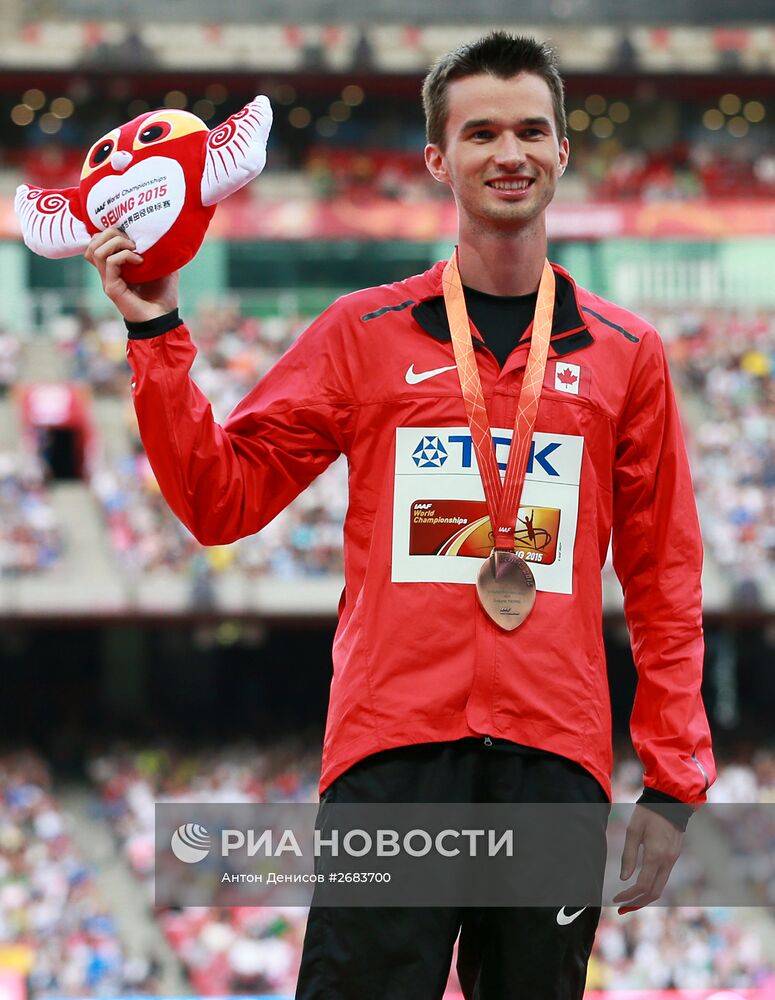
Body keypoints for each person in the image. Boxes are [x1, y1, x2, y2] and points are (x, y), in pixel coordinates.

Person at [85, 31, 715, 1000]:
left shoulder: (628, 355)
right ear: (437, 158)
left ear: (562, 151)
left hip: (553, 757)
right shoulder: (361, 334)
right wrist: (155, 331)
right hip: (392, 751)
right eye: (480, 133)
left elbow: (663, 573)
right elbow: (221, 499)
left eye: (530, 131)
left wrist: (674, 780)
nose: (508, 151)